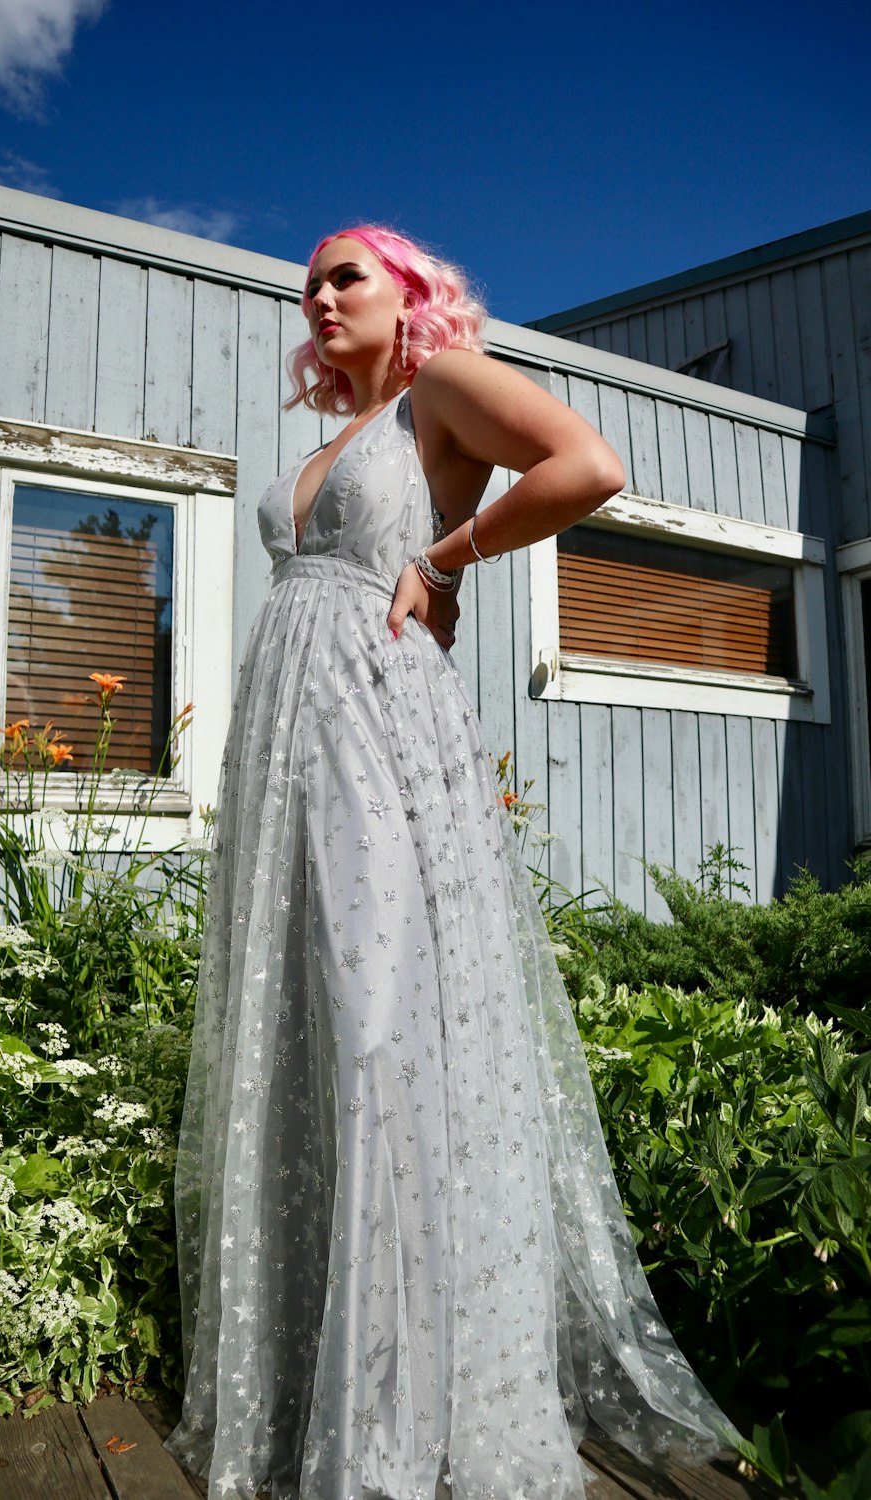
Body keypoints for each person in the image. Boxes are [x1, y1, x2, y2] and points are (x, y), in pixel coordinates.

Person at [165, 226, 733, 1499]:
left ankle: (403, 1411)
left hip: (381, 731)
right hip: (294, 745)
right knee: (311, 1033)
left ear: (407, 293)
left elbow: (587, 465)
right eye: (305, 283)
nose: (316, 297)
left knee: (381, 1034)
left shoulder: (442, 389)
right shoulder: (319, 447)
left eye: (342, 276)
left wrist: (444, 557)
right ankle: (335, 1368)